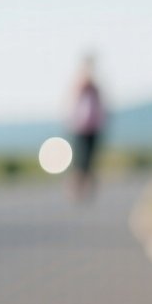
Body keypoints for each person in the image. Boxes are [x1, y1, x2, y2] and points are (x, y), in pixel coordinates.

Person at [67, 55, 106, 202]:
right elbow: (72, 103)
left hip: (93, 127)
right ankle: (77, 189)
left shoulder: (95, 87)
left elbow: (99, 105)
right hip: (80, 128)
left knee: (89, 160)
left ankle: (86, 190)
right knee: (80, 161)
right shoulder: (79, 84)